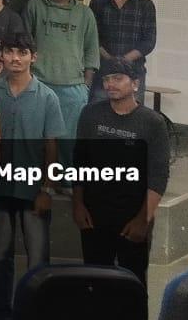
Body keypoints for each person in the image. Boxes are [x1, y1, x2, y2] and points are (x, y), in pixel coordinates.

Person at [0, 32, 65, 320]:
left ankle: (36, 317)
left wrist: (47, 189)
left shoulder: (47, 97)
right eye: (9, 52)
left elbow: (51, 146)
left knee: (38, 258)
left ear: (34, 57)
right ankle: (0, 314)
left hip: (33, 191)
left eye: (22, 52)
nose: (15, 58)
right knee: (0, 255)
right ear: (2, 56)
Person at [72, 59, 168, 285]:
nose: (110, 84)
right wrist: (78, 204)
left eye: (117, 78)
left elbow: (158, 175)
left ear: (135, 84)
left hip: (132, 215)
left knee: (132, 283)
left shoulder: (152, 122)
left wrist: (143, 219)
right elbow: (79, 162)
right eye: (106, 79)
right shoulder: (90, 114)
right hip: (95, 214)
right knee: (94, 280)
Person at [25, 0, 98, 167]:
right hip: (39, 82)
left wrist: (85, 84)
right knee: (36, 137)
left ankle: (66, 179)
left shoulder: (84, 13)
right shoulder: (34, 6)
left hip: (73, 85)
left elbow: (91, 48)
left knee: (68, 140)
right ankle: (37, 178)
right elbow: (25, 44)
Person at [89, 0, 156, 102]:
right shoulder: (97, 3)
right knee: (98, 111)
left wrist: (124, 60)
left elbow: (149, 41)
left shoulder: (146, 5)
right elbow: (91, 37)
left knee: (132, 113)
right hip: (103, 71)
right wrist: (110, 59)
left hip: (134, 72)